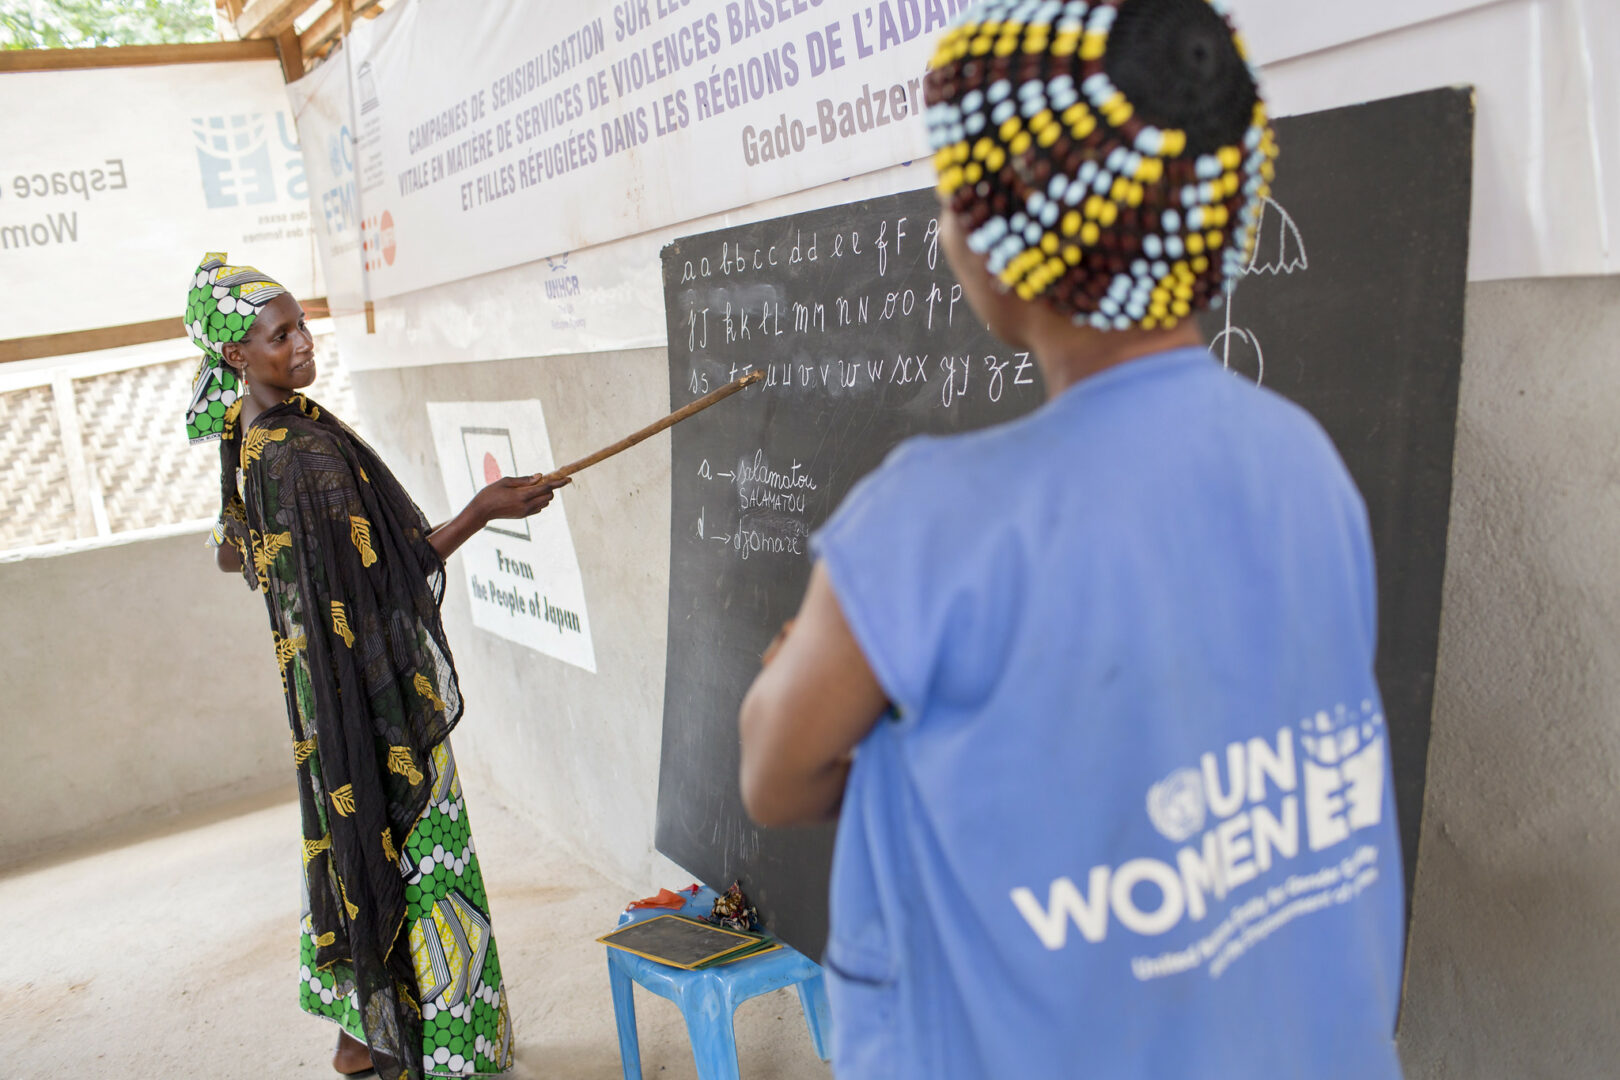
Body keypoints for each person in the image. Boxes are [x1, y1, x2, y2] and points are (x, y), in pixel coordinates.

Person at [737, 1, 1406, 1077]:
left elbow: (777, 775)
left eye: (954, 195)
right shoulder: (1304, 460)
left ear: (995, 240)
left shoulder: (932, 522)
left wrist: (809, 685)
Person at [186, 254, 565, 1080]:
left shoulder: (244, 437)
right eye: (278, 335)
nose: (302, 341)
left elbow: (230, 552)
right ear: (236, 357)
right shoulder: (298, 454)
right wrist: (484, 511)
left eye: (300, 324)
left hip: (316, 694)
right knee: (419, 844)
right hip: (367, 692)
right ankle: (445, 1045)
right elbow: (383, 578)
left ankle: (360, 1035)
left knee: (348, 839)